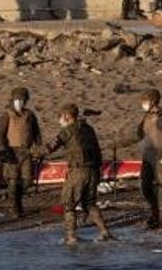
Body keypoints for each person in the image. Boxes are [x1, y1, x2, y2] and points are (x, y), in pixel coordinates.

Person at [39, 103, 114, 245]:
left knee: (69, 204)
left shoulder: (68, 131)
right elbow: (98, 151)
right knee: (90, 203)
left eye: (60, 117)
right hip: (93, 171)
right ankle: (105, 232)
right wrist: (98, 172)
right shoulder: (89, 129)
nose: (59, 120)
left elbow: (50, 148)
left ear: (67, 117)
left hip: (78, 172)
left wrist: (31, 153)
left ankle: (71, 237)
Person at [123, 89, 162, 229]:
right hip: (148, 154)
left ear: (152, 101)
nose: (143, 104)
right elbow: (140, 134)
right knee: (145, 185)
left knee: (161, 185)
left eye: (145, 101)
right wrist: (121, 143)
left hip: (161, 154)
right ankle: (154, 211)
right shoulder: (146, 116)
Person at [0, 86, 41, 219]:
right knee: (13, 181)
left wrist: (39, 149)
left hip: (26, 151)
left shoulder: (30, 115)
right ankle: (15, 209)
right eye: (17, 99)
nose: (19, 102)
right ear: (12, 100)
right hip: (11, 151)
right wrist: (3, 150)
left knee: (27, 180)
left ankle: (18, 201)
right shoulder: (6, 115)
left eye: (22, 99)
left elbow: (36, 133)